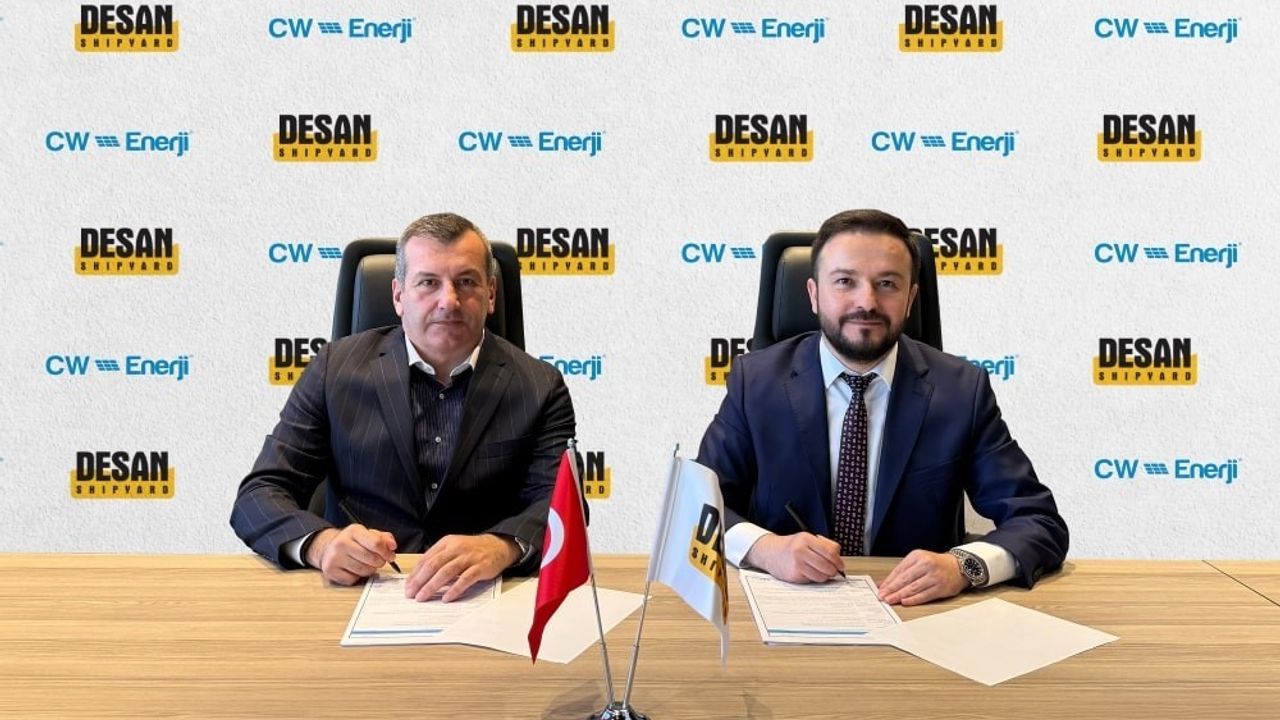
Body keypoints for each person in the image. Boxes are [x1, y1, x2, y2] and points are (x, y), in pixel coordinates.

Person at [697, 209, 1068, 606]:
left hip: (913, 611)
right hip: (782, 605)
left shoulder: (962, 392)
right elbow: (697, 508)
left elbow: (1039, 521)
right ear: (813, 294)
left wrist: (963, 566)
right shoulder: (756, 383)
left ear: (910, 299)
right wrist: (765, 549)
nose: (867, 302)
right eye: (845, 281)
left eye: (887, 284)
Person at [231, 213, 575, 602]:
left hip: (483, 595)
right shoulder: (333, 370)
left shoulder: (540, 386)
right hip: (358, 592)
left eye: (466, 282)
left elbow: (562, 506)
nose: (449, 301)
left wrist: (503, 546)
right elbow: (260, 493)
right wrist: (321, 545)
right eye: (428, 282)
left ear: (491, 294)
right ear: (398, 295)